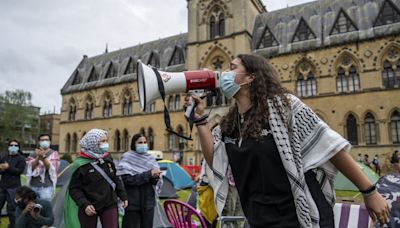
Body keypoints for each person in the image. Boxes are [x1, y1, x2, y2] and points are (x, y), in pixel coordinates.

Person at [186, 54, 390, 227]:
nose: (224, 75)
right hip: (259, 217)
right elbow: (216, 161)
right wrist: (201, 121)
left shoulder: (285, 108)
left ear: (250, 77)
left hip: (298, 216)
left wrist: (369, 191)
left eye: (232, 69)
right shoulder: (229, 124)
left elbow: (331, 147)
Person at [65, 129, 128, 228]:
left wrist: (123, 195)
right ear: (93, 143)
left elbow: (115, 178)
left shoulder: (107, 159)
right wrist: (84, 204)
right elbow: (74, 188)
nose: (106, 144)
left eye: (106, 140)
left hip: (109, 203)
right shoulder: (80, 164)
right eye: (102, 141)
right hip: (89, 206)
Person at [116, 133, 162, 228]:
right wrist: (149, 174)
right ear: (134, 144)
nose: (143, 144)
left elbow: (154, 182)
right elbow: (128, 180)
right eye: (140, 142)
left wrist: (155, 177)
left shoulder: (150, 159)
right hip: (133, 204)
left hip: (148, 203)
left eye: (145, 142)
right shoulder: (127, 158)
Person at [0, 140, 27, 228]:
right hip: (2, 186)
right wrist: (2, 169)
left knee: (12, 209)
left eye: (15, 145)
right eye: (11, 145)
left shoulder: (21, 158)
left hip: (14, 188)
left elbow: (19, 171)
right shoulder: (4, 157)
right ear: (8, 147)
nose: (13, 147)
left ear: (18, 147)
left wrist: (8, 168)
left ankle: (13, 225)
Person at [26, 134, 60, 201]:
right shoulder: (33, 153)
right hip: (33, 186)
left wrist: (43, 157)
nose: (45, 141)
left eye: (46, 140)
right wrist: (38, 157)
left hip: (46, 187)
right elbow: (30, 168)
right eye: (42, 140)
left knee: (45, 208)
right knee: (33, 208)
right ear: (39, 142)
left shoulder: (54, 153)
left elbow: (50, 168)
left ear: (50, 142)